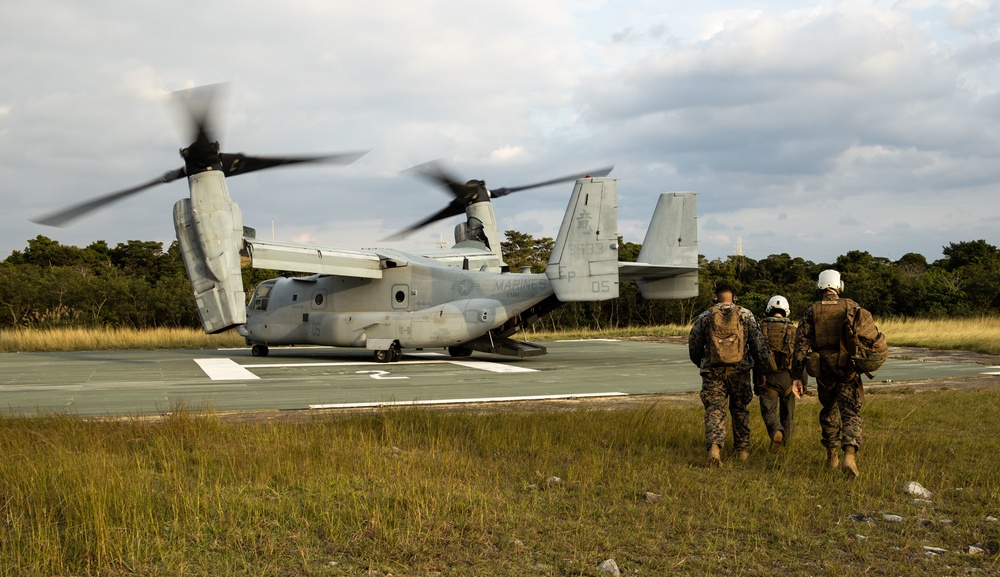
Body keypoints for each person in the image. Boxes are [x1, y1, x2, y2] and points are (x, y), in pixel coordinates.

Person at [790, 269, 864, 477]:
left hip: (824, 371)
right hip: (848, 369)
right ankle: (849, 454)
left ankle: (832, 455)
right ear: (839, 286)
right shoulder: (852, 306)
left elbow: (800, 346)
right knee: (850, 413)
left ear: (820, 287)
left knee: (830, 411)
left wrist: (797, 376)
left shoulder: (812, 311)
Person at [688, 282, 769, 467]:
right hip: (740, 371)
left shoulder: (705, 316)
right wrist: (760, 371)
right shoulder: (745, 315)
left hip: (713, 372)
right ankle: (742, 452)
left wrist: (704, 363)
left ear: (715, 296)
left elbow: (694, 346)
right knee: (740, 410)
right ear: (734, 297)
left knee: (715, 410)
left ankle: (714, 449)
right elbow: (759, 347)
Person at [756, 295, 807, 454]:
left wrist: (756, 381)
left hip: (768, 379)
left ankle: (776, 431)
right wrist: (803, 383)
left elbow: (756, 357)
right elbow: (801, 357)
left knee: (768, 412)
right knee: (788, 415)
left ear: (769, 309)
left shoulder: (761, 329)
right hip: (789, 379)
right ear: (787, 311)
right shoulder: (794, 330)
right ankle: (786, 447)